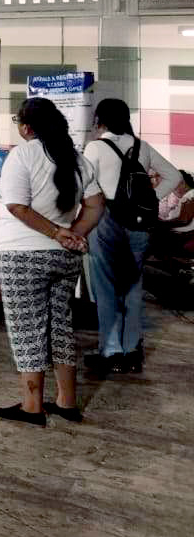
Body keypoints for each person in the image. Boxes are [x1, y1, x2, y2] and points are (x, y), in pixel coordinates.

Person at [0, 97, 104, 426]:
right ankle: (67, 401)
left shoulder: (22, 155)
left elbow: (17, 207)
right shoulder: (77, 160)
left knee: (27, 329)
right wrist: (72, 233)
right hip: (64, 258)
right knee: (60, 326)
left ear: (26, 128)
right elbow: (96, 205)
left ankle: (32, 406)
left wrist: (57, 233)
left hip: (23, 255)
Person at [82, 98, 181, 375]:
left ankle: (111, 351)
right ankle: (131, 352)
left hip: (106, 222)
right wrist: (148, 201)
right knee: (133, 288)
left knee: (106, 287)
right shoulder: (143, 147)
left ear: (100, 119)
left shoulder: (96, 147)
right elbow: (173, 176)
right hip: (138, 223)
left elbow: (85, 185)